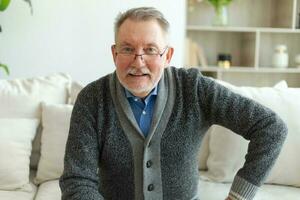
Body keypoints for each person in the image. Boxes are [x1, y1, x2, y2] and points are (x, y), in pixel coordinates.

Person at [59, 7, 287, 200]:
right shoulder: (92, 99)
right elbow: (77, 180)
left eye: (150, 50)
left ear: (167, 56)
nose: (138, 62)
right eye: (128, 49)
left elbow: (271, 128)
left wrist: (239, 196)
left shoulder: (194, 88)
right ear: (114, 54)